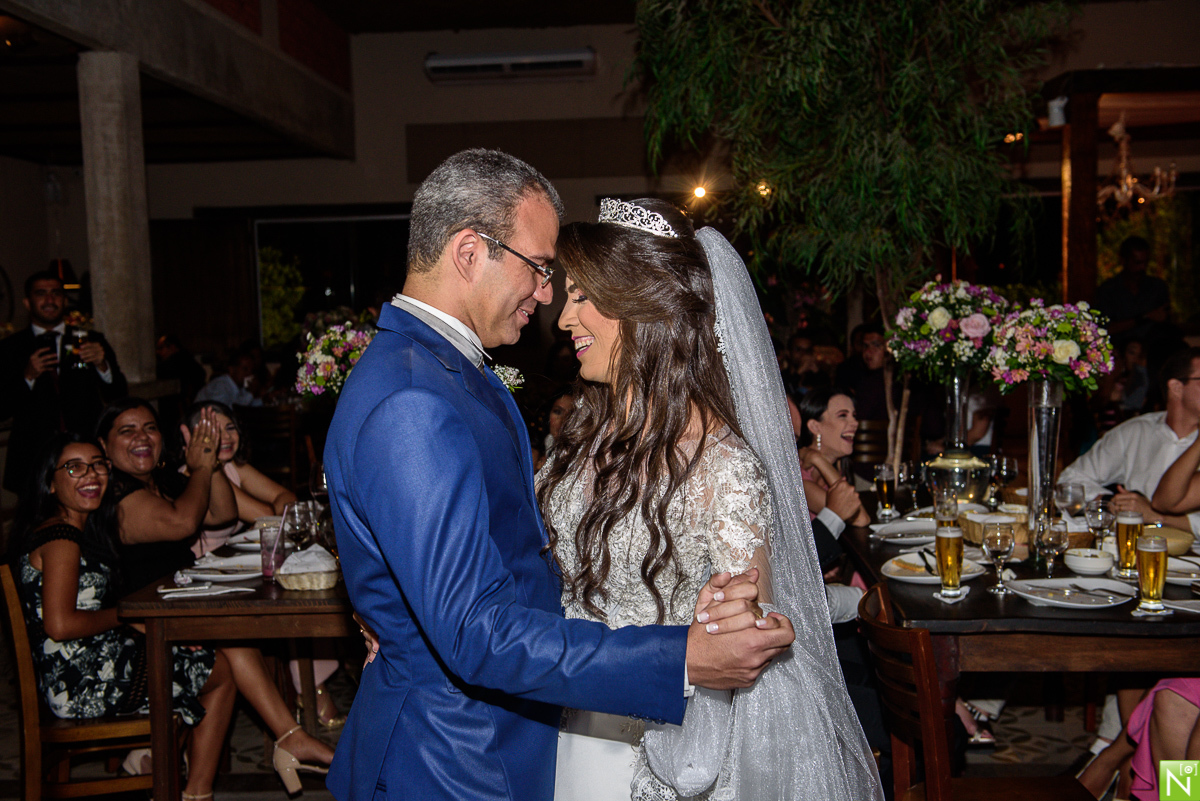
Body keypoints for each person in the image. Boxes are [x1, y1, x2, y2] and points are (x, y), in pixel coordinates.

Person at [322, 149, 793, 801]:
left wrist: (398, 599)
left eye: (573, 288)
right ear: (468, 252)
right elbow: (472, 629)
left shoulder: (461, 377)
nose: (550, 300)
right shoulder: (414, 400)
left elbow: (508, 553)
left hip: (555, 731)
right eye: (541, 270)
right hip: (457, 759)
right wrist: (678, 657)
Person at [542, 198, 881, 800]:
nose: (565, 318)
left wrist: (731, 616)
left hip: (650, 748)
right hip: (558, 718)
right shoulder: (585, 433)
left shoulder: (721, 465)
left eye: (584, 297)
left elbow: (748, 632)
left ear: (646, 307)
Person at [6, 434, 334, 799]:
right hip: (79, 683)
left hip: (89, 666)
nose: (91, 475)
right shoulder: (61, 538)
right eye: (75, 468)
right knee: (222, 669)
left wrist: (133, 624)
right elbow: (61, 624)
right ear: (50, 483)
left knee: (221, 646)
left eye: (98, 465)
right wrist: (127, 616)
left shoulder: (72, 531)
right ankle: (220, 779)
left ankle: (277, 746)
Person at [0, 271, 127, 494]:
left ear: (65, 301)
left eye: (56, 293)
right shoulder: (10, 348)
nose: (50, 300)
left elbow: (119, 394)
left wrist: (102, 366)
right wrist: (27, 377)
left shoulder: (90, 340)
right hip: (33, 459)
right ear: (27, 303)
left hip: (85, 454)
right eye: (41, 294)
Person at [94, 398, 237, 593]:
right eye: (127, 431)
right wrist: (202, 467)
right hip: (146, 609)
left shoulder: (165, 478)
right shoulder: (115, 492)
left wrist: (210, 458)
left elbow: (223, 513)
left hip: (185, 593)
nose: (142, 437)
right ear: (103, 445)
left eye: (150, 428)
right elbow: (183, 523)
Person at [1057, 347, 1200, 536]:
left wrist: (1153, 517)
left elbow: (1163, 507)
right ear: (1176, 387)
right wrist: (1111, 503)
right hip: (1130, 547)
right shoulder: (1136, 432)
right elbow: (1067, 485)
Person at [796, 388, 870, 528]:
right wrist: (818, 459)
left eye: (854, 415)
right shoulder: (799, 476)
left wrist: (818, 459)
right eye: (843, 415)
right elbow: (860, 519)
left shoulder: (836, 466)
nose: (855, 422)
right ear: (815, 427)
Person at [194, 348, 261, 408]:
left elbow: (246, 404)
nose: (249, 374)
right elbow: (223, 410)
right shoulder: (221, 385)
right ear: (231, 369)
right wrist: (251, 393)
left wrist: (261, 398)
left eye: (251, 370)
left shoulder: (240, 387)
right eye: (245, 369)